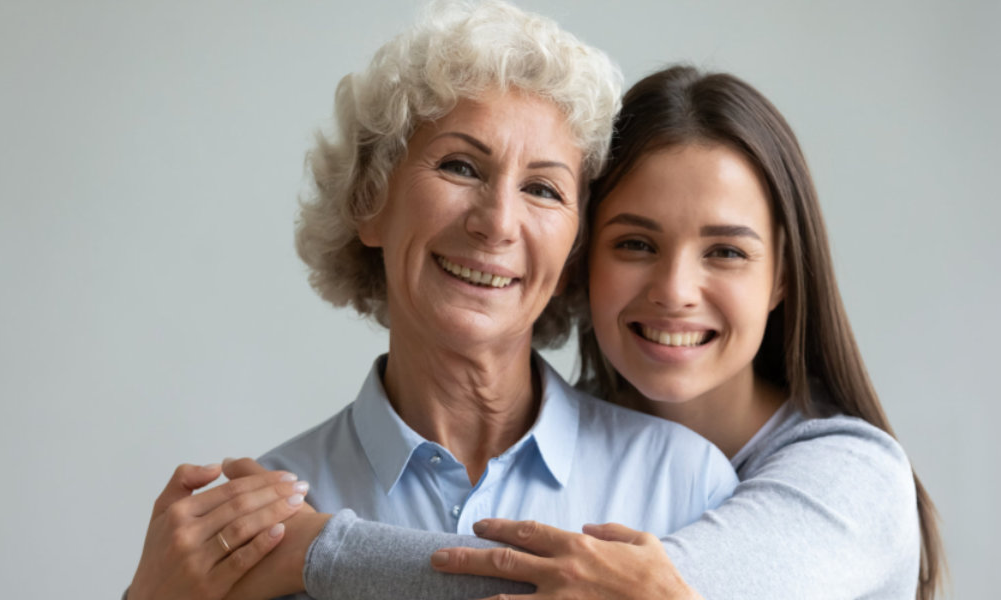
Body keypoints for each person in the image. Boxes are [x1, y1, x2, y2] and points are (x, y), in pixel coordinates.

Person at [232, 65, 950, 599]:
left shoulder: (851, 478)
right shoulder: (292, 477)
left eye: (726, 251)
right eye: (635, 243)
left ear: (784, 277)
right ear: (580, 258)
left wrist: (319, 549)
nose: (674, 291)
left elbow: (623, 591)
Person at [123, 4, 738, 600]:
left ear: (574, 247)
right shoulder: (257, 525)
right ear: (369, 200)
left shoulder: (683, 482)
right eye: (461, 167)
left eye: (542, 189)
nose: (497, 223)